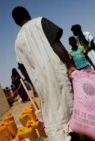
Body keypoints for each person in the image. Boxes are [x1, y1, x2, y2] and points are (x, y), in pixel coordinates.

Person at [11, 6, 76, 141]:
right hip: (57, 73)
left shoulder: (17, 42)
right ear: (28, 13)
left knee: (55, 112)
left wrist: (35, 86)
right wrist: (69, 65)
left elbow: (22, 68)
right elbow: (56, 44)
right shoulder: (40, 22)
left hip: (41, 84)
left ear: (16, 22)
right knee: (69, 104)